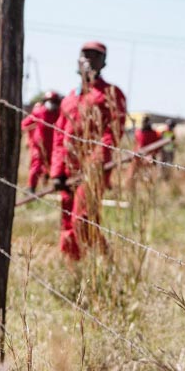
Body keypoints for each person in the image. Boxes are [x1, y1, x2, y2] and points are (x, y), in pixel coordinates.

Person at [50, 41, 127, 261]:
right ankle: (73, 265)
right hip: (68, 169)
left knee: (82, 218)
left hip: (94, 169)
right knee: (67, 219)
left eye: (95, 56)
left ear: (104, 62)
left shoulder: (111, 94)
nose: (89, 60)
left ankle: (108, 260)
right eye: (85, 55)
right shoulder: (70, 98)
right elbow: (58, 136)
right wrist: (57, 172)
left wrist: (95, 163)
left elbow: (112, 133)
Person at [25, 90, 62, 191]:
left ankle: (45, 186)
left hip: (53, 146)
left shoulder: (59, 114)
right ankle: (30, 188)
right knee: (36, 166)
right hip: (39, 145)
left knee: (50, 167)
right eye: (49, 101)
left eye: (53, 101)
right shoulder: (38, 112)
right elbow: (25, 124)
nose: (51, 104)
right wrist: (29, 139)